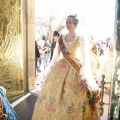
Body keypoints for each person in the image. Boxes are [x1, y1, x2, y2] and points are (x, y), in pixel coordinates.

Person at [32, 15, 100, 120]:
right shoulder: (61, 38)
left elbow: (85, 58)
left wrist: (84, 76)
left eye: (70, 22)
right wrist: (47, 73)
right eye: (66, 22)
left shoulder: (80, 38)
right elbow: (55, 58)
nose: (67, 24)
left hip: (75, 69)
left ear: (75, 24)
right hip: (60, 68)